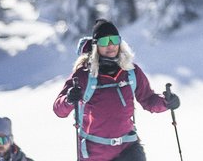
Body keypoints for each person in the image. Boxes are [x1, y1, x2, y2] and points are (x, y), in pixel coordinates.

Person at [53, 19, 181, 161]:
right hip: (95, 154)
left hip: (128, 148)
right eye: (104, 41)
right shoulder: (83, 75)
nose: (110, 45)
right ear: (96, 46)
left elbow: (148, 99)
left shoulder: (131, 71)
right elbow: (59, 109)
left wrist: (166, 102)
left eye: (114, 39)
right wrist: (69, 100)